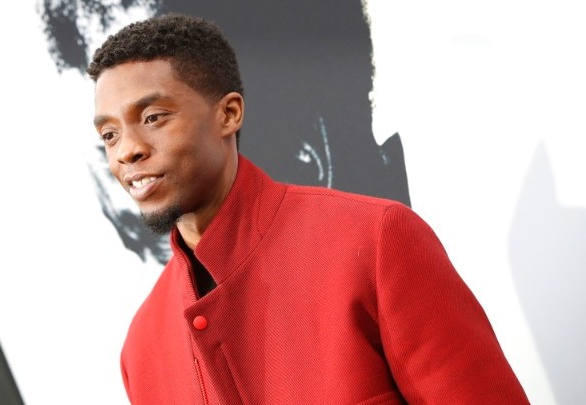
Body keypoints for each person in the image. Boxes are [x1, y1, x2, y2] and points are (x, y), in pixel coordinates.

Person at [87, 13, 529, 404]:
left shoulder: (375, 241)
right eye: (109, 135)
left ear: (229, 114)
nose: (127, 151)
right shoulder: (141, 350)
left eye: (153, 118)